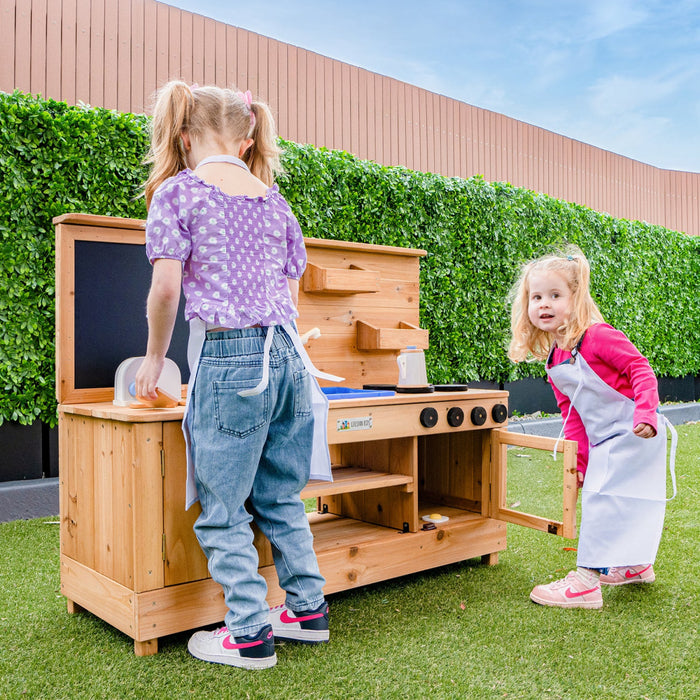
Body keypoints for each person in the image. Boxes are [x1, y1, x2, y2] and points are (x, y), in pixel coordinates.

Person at [135, 81, 337, 668]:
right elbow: (289, 291)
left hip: (232, 361)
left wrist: (155, 357)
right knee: (281, 496)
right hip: (291, 360)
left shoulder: (178, 194)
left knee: (224, 507)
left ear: (184, 135)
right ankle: (307, 611)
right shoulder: (275, 203)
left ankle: (248, 634)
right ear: (248, 140)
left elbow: (167, 286)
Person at [507, 246, 676, 609]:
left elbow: (641, 369)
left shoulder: (597, 336)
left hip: (635, 431)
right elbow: (573, 417)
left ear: (575, 297)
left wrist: (646, 414)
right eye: (537, 297)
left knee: (603, 500)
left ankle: (586, 582)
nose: (544, 304)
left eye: (555, 295)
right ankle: (635, 565)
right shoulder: (555, 358)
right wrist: (580, 464)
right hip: (606, 439)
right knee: (625, 501)